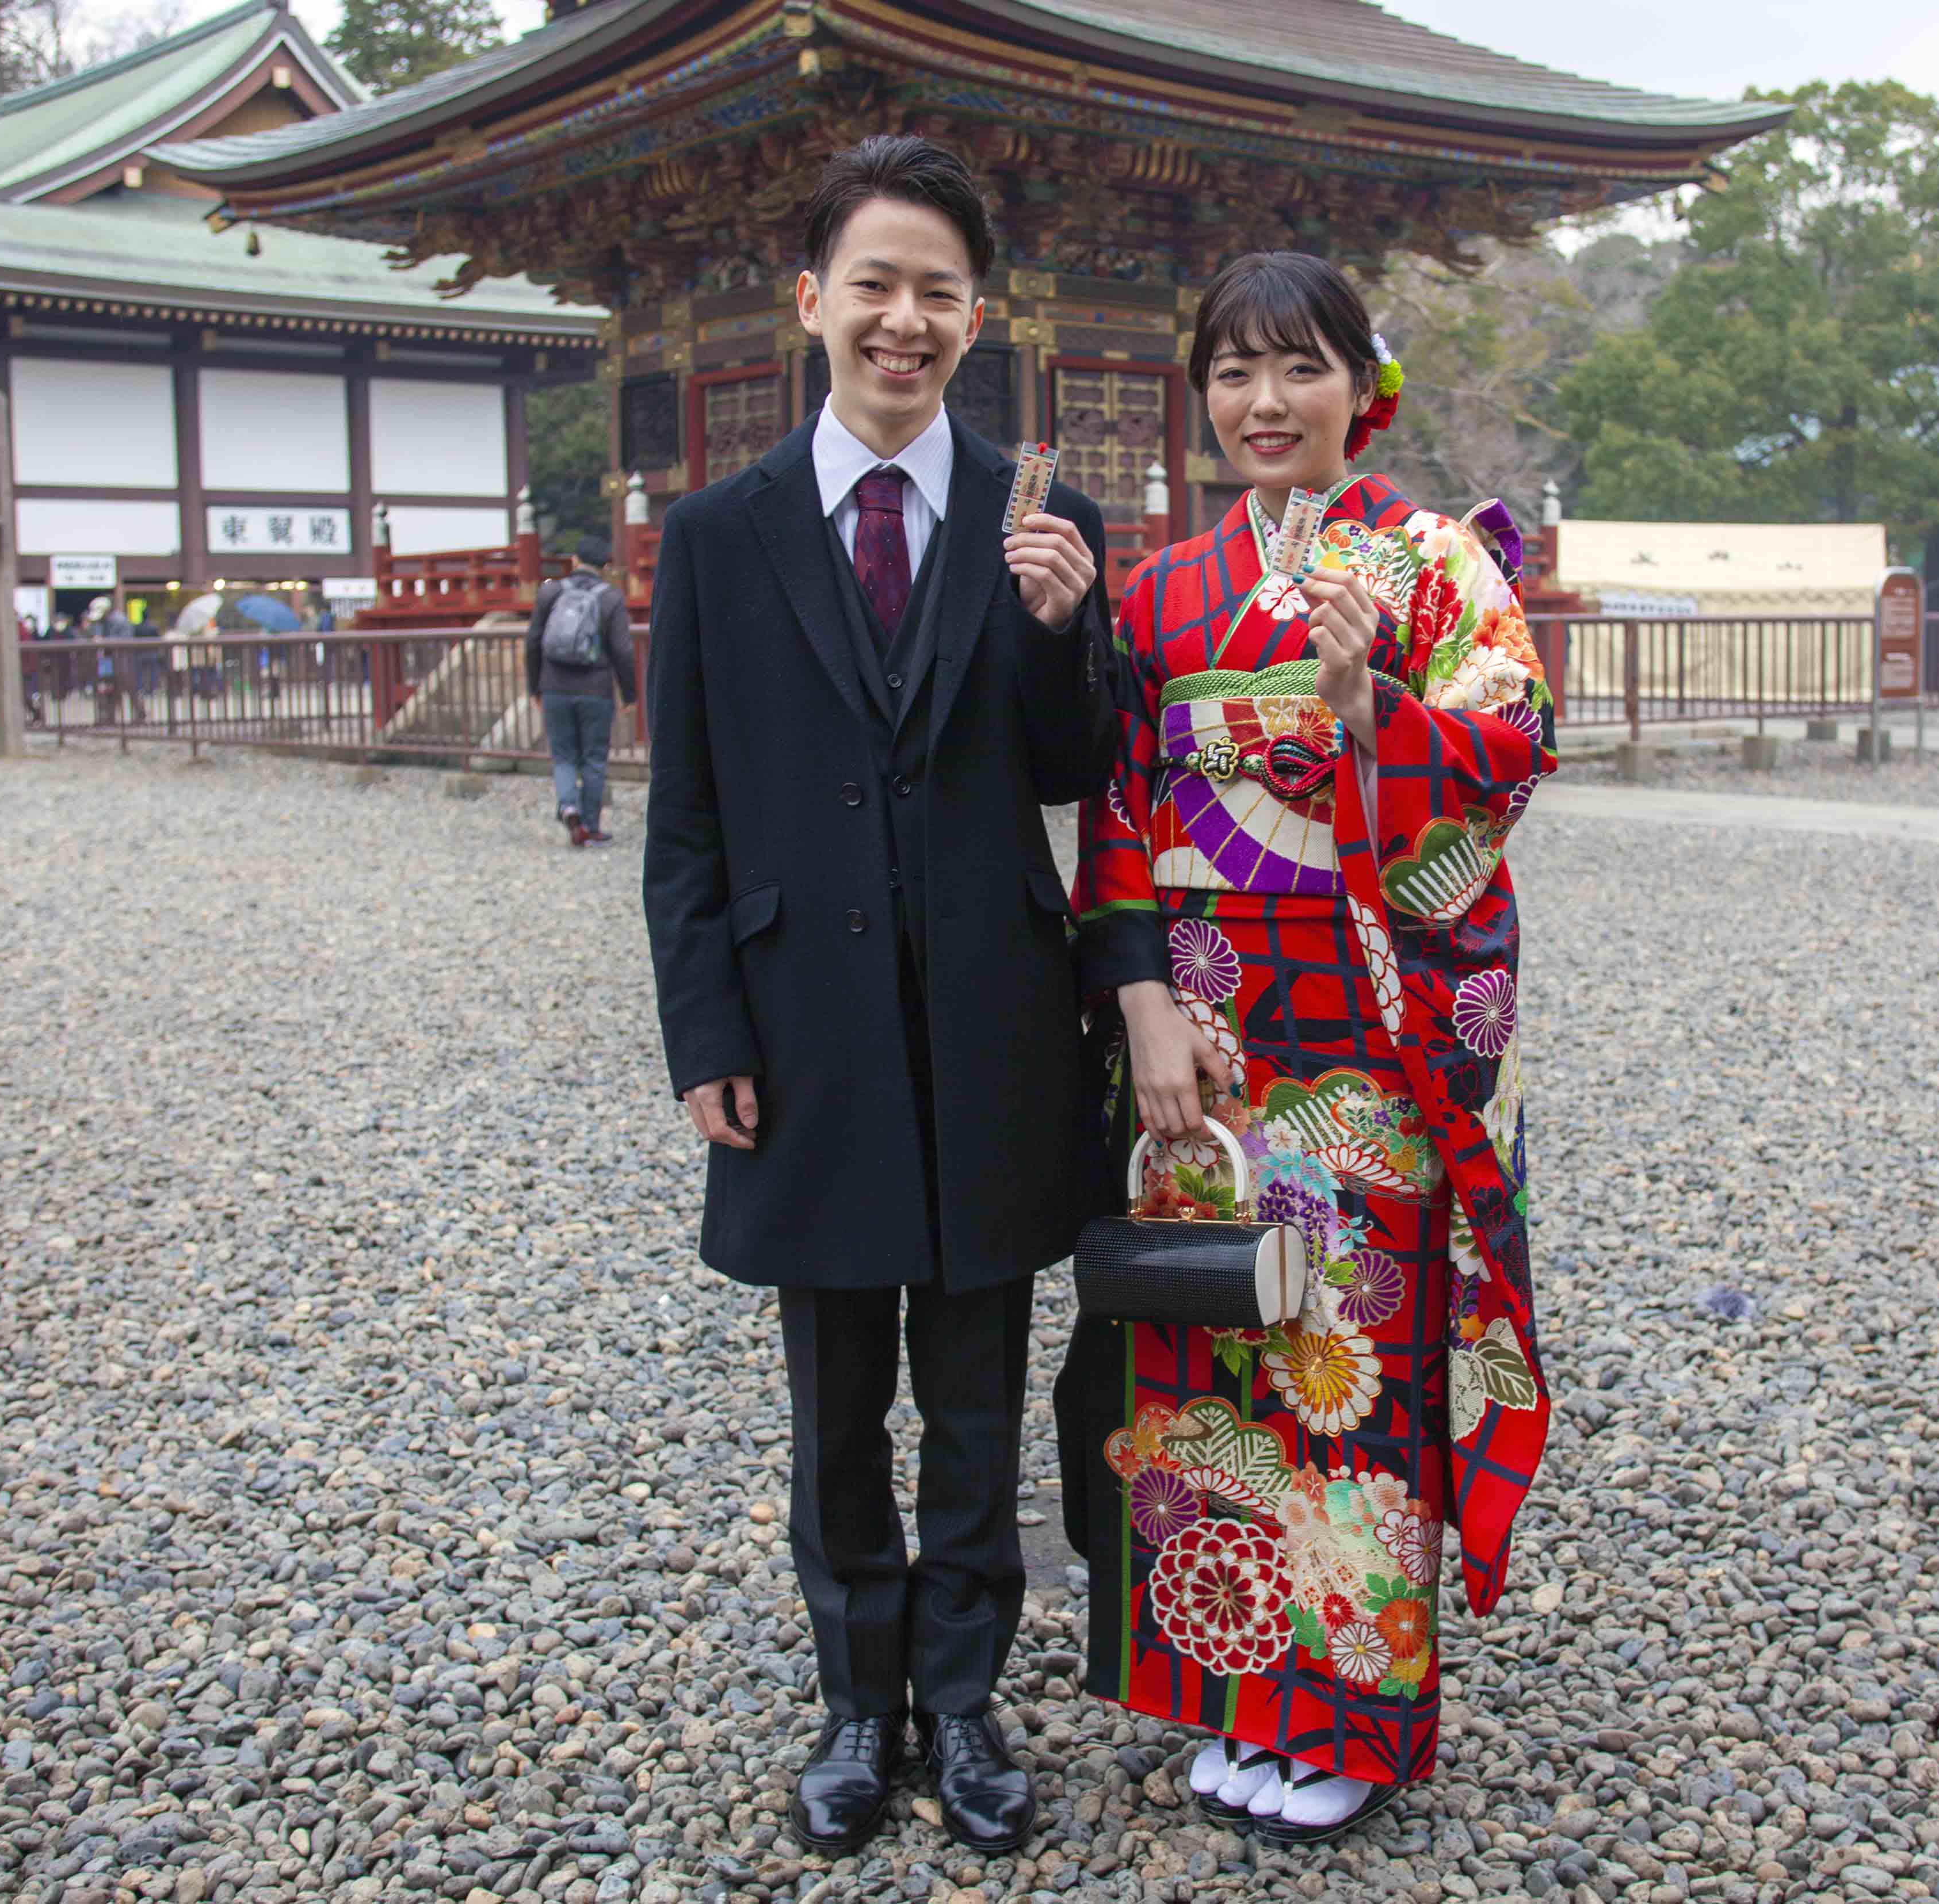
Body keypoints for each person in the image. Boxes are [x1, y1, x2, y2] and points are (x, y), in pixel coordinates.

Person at [643, 133, 1112, 1860]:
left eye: (936, 292)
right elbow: (682, 812)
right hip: (804, 1029)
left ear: (975, 317)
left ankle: (967, 1694)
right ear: (810, 305)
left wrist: (1069, 631)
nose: (901, 321)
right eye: (873, 286)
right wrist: (705, 1031)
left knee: (976, 1384)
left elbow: (1080, 767)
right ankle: (860, 1694)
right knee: (836, 1391)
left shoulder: (1044, 514)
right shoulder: (719, 533)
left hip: (995, 1009)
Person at [1054, 251, 1559, 1845]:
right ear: (1199, 394)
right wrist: (1137, 999)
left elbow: (1509, 747)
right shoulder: (1161, 590)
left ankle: (1347, 1703)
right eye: (1232, 372)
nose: (1263, 404)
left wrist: (1361, 710)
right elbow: (1125, 806)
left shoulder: (1432, 561)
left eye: (1299, 369)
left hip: (1364, 1021)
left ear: (1363, 387)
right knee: (1208, 1348)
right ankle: (1228, 1682)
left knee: (1350, 1359)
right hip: (1210, 1025)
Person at [524, 533, 637, 846]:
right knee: (594, 759)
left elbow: (533, 641)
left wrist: (534, 686)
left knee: (563, 757)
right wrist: (629, 694)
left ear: (574, 561)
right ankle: (591, 827)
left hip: (555, 688)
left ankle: (568, 806)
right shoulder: (611, 598)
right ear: (605, 566)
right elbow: (623, 651)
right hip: (596, 690)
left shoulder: (550, 592)